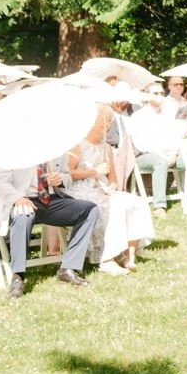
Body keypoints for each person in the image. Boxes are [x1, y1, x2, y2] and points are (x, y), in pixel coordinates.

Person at [0, 158, 100, 298]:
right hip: (21, 200)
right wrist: (18, 198)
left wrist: (59, 179)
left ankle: (68, 268)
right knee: (23, 215)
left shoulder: (53, 148)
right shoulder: (10, 150)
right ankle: (17, 277)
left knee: (90, 210)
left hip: (50, 200)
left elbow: (66, 175)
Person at [63, 107, 155, 276]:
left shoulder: (106, 148)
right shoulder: (77, 145)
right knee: (112, 206)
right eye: (102, 122)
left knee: (134, 201)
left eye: (107, 122)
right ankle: (107, 258)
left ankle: (128, 254)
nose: (105, 127)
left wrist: (111, 186)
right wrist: (94, 172)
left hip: (101, 188)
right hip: (80, 190)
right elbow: (68, 174)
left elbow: (113, 178)